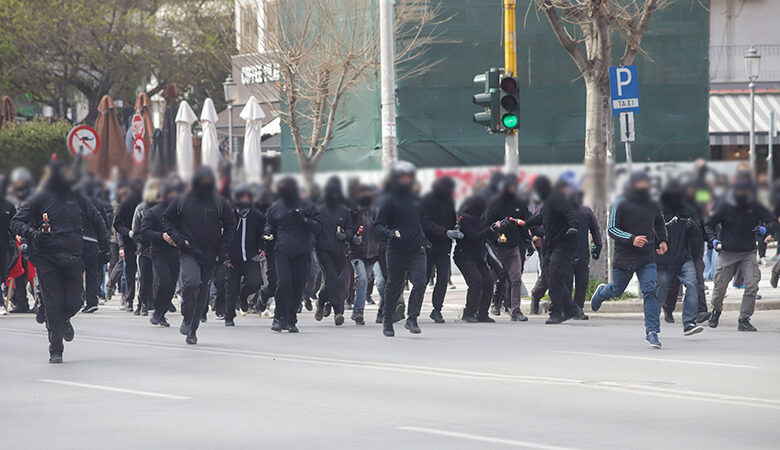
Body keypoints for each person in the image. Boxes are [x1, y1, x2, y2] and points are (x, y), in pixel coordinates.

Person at [10, 158, 109, 363]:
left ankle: (63, 319)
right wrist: (34, 233)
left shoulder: (78, 196)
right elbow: (16, 222)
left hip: (73, 256)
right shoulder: (38, 196)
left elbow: (97, 219)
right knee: (54, 304)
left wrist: (105, 245)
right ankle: (56, 348)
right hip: (46, 257)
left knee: (75, 302)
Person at [591, 172, 668, 348]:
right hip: (624, 257)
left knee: (650, 290)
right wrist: (631, 238)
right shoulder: (621, 202)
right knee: (617, 290)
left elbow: (659, 223)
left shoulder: (653, 203)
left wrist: (663, 240)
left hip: (646, 256)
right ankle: (602, 292)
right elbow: (611, 229)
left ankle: (652, 332)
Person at [163, 167, 234, 344]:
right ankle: (187, 316)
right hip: (188, 251)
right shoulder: (183, 199)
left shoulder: (218, 202)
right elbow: (168, 219)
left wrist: (223, 248)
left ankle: (193, 329)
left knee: (203, 292)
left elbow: (231, 223)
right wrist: (179, 239)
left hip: (211, 254)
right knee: (191, 282)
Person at [705, 178, 774, 332]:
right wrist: (714, 240)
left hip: (748, 252)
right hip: (727, 252)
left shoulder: (756, 206)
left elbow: (772, 221)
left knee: (751, 284)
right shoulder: (725, 206)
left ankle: (744, 318)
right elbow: (709, 224)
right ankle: (716, 311)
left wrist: (766, 230)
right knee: (720, 287)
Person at [373, 161, 428, 336]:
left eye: (409, 177)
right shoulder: (388, 200)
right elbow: (377, 225)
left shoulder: (416, 198)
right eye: (402, 177)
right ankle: (387, 319)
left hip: (416, 249)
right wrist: (390, 233)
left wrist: (424, 238)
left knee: (420, 282)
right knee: (394, 286)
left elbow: (418, 221)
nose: (406, 180)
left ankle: (412, 318)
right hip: (396, 250)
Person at [263, 177, 320, 332]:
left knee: (298, 285)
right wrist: (268, 231)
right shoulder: (277, 207)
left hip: (302, 250)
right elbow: (269, 223)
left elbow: (318, 227)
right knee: (284, 283)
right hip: (283, 250)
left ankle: (291, 319)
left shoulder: (308, 206)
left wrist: (304, 220)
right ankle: (278, 317)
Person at [527, 176, 583, 324]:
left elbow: (570, 213)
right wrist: (526, 224)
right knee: (553, 278)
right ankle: (571, 309)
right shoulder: (549, 201)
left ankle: (556, 312)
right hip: (551, 246)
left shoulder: (557, 198)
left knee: (554, 276)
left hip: (563, 244)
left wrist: (574, 226)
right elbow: (543, 217)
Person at [655, 180, 704, 336]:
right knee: (661, 291)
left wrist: (693, 227)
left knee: (691, 284)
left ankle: (689, 322)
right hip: (663, 260)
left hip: (683, 257)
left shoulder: (687, 209)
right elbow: (650, 232)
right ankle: (653, 322)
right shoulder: (657, 211)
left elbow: (698, 232)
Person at [483, 173, 531, 322]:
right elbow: (486, 224)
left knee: (516, 278)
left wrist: (528, 241)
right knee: (495, 278)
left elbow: (524, 224)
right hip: (496, 247)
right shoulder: (494, 203)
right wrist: (494, 231)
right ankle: (490, 304)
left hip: (513, 247)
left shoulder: (520, 203)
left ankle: (515, 309)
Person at [141, 180, 182, 327]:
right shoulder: (154, 211)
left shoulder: (179, 212)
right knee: (163, 280)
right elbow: (144, 232)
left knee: (171, 285)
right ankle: (157, 311)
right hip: (159, 253)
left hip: (175, 253)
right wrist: (161, 236)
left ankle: (162, 313)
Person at [421, 176, 461, 323]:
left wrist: (455, 231)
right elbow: (425, 222)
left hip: (444, 245)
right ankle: (415, 307)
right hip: (428, 244)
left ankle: (437, 309)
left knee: (443, 277)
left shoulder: (449, 201)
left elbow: (452, 220)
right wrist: (445, 232)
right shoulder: (427, 200)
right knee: (423, 278)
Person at [313, 176, 352, 326]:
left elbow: (350, 228)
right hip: (323, 251)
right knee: (332, 279)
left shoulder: (344, 209)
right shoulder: (319, 209)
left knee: (338, 282)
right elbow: (314, 229)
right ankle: (338, 312)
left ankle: (321, 300)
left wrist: (346, 235)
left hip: (340, 251)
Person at [224, 186, 265, 327]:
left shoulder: (257, 216)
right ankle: (229, 316)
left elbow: (262, 233)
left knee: (255, 282)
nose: (244, 201)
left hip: (250, 257)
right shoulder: (229, 214)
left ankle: (243, 296)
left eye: (247, 198)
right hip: (231, 258)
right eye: (242, 198)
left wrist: (262, 247)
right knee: (231, 288)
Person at [453, 195, 495, 322]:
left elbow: (483, 236)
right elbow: (473, 237)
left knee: (488, 281)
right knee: (476, 281)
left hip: (477, 256)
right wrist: (490, 230)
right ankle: (469, 312)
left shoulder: (479, 219)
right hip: (464, 256)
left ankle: (482, 313)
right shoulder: (465, 218)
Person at [80, 178, 113, 313]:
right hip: (94, 241)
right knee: (93, 272)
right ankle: (92, 300)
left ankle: (78, 298)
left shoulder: (77, 202)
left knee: (76, 271)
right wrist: (104, 243)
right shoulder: (98, 203)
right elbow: (103, 223)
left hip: (78, 240)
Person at [350, 184, 379, 325]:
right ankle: (358, 311)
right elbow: (348, 229)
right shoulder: (353, 212)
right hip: (357, 252)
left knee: (365, 280)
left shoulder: (376, 212)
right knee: (361, 279)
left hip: (373, 253)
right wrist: (352, 238)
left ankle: (357, 309)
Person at [113, 178, 144, 312]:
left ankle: (141, 299)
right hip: (130, 241)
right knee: (131, 271)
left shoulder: (146, 204)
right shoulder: (126, 204)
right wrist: (129, 233)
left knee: (142, 272)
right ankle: (129, 298)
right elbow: (117, 224)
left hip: (144, 240)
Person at [570, 187, 602, 315]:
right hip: (572, 253)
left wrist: (596, 249)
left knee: (577, 283)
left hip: (574, 253)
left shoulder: (585, 212)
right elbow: (596, 232)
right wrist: (596, 249)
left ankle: (575, 309)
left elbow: (595, 232)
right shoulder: (586, 211)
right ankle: (576, 309)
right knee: (580, 283)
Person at [131, 180, 160, 316]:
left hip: (160, 249)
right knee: (144, 278)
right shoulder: (141, 209)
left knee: (158, 279)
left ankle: (156, 304)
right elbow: (135, 232)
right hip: (143, 249)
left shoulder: (163, 208)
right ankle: (141, 303)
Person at [0, 172, 16, 313]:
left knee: (4, 274)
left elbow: (15, 222)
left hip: (4, 244)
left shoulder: (8, 205)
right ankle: (0, 303)